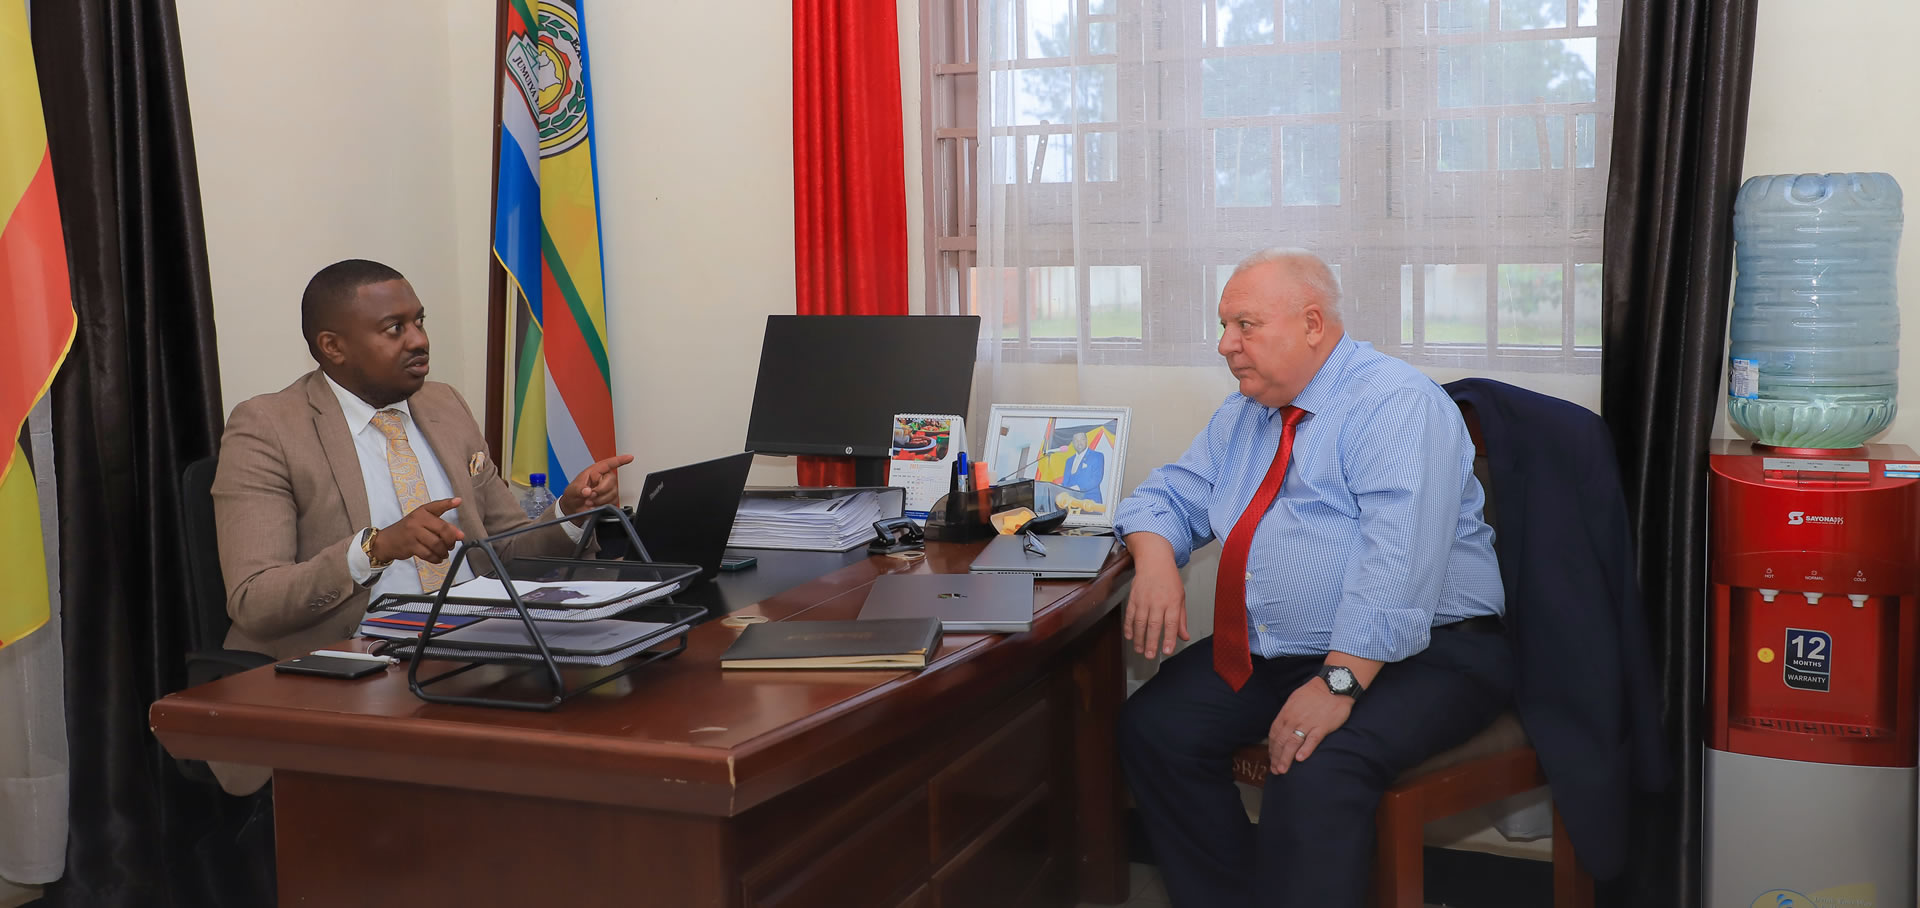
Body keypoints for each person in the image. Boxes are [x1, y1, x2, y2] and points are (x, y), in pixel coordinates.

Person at [1112, 249, 1511, 907]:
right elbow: (1168, 497)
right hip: (1287, 647)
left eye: (1244, 325)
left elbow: (1398, 562)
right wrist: (1155, 563)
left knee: (1311, 763)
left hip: (1432, 653)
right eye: (1224, 326)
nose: (1225, 344)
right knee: (1156, 728)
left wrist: (1338, 682)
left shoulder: (1395, 404)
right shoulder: (1246, 412)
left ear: (1313, 324)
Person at [212, 258, 630, 661]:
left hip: (475, 640)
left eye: (419, 322)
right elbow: (254, 599)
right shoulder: (269, 427)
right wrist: (374, 550)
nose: (419, 340)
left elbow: (506, 547)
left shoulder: (444, 403)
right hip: (354, 657)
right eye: (395, 328)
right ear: (333, 346)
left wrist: (569, 513)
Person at [1060, 430, 1106, 502]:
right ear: (1072, 443)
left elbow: (1096, 479)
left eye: (1082, 439)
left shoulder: (1097, 456)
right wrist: (1059, 487)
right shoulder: (1069, 461)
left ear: (1086, 440)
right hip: (1071, 503)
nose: (1079, 443)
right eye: (1076, 440)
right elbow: (1066, 482)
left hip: (1090, 503)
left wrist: (1077, 488)